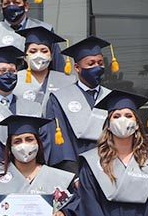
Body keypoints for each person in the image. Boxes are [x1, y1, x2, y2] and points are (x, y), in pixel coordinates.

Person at [69, 89, 148, 216]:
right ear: (108, 125)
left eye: (128, 115)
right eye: (116, 116)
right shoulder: (92, 162)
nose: (123, 120)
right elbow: (90, 206)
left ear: (137, 124)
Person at [44, 35, 113, 168]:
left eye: (100, 63)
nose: (97, 67)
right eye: (91, 63)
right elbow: (60, 142)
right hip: (78, 170)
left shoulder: (111, 97)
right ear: (77, 67)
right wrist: (73, 175)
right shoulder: (60, 98)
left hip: (110, 168)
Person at [13, 25, 74, 107]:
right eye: (33, 51)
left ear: (51, 56)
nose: (39, 55)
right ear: (24, 57)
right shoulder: (14, 80)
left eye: (44, 51)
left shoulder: (65, 81)